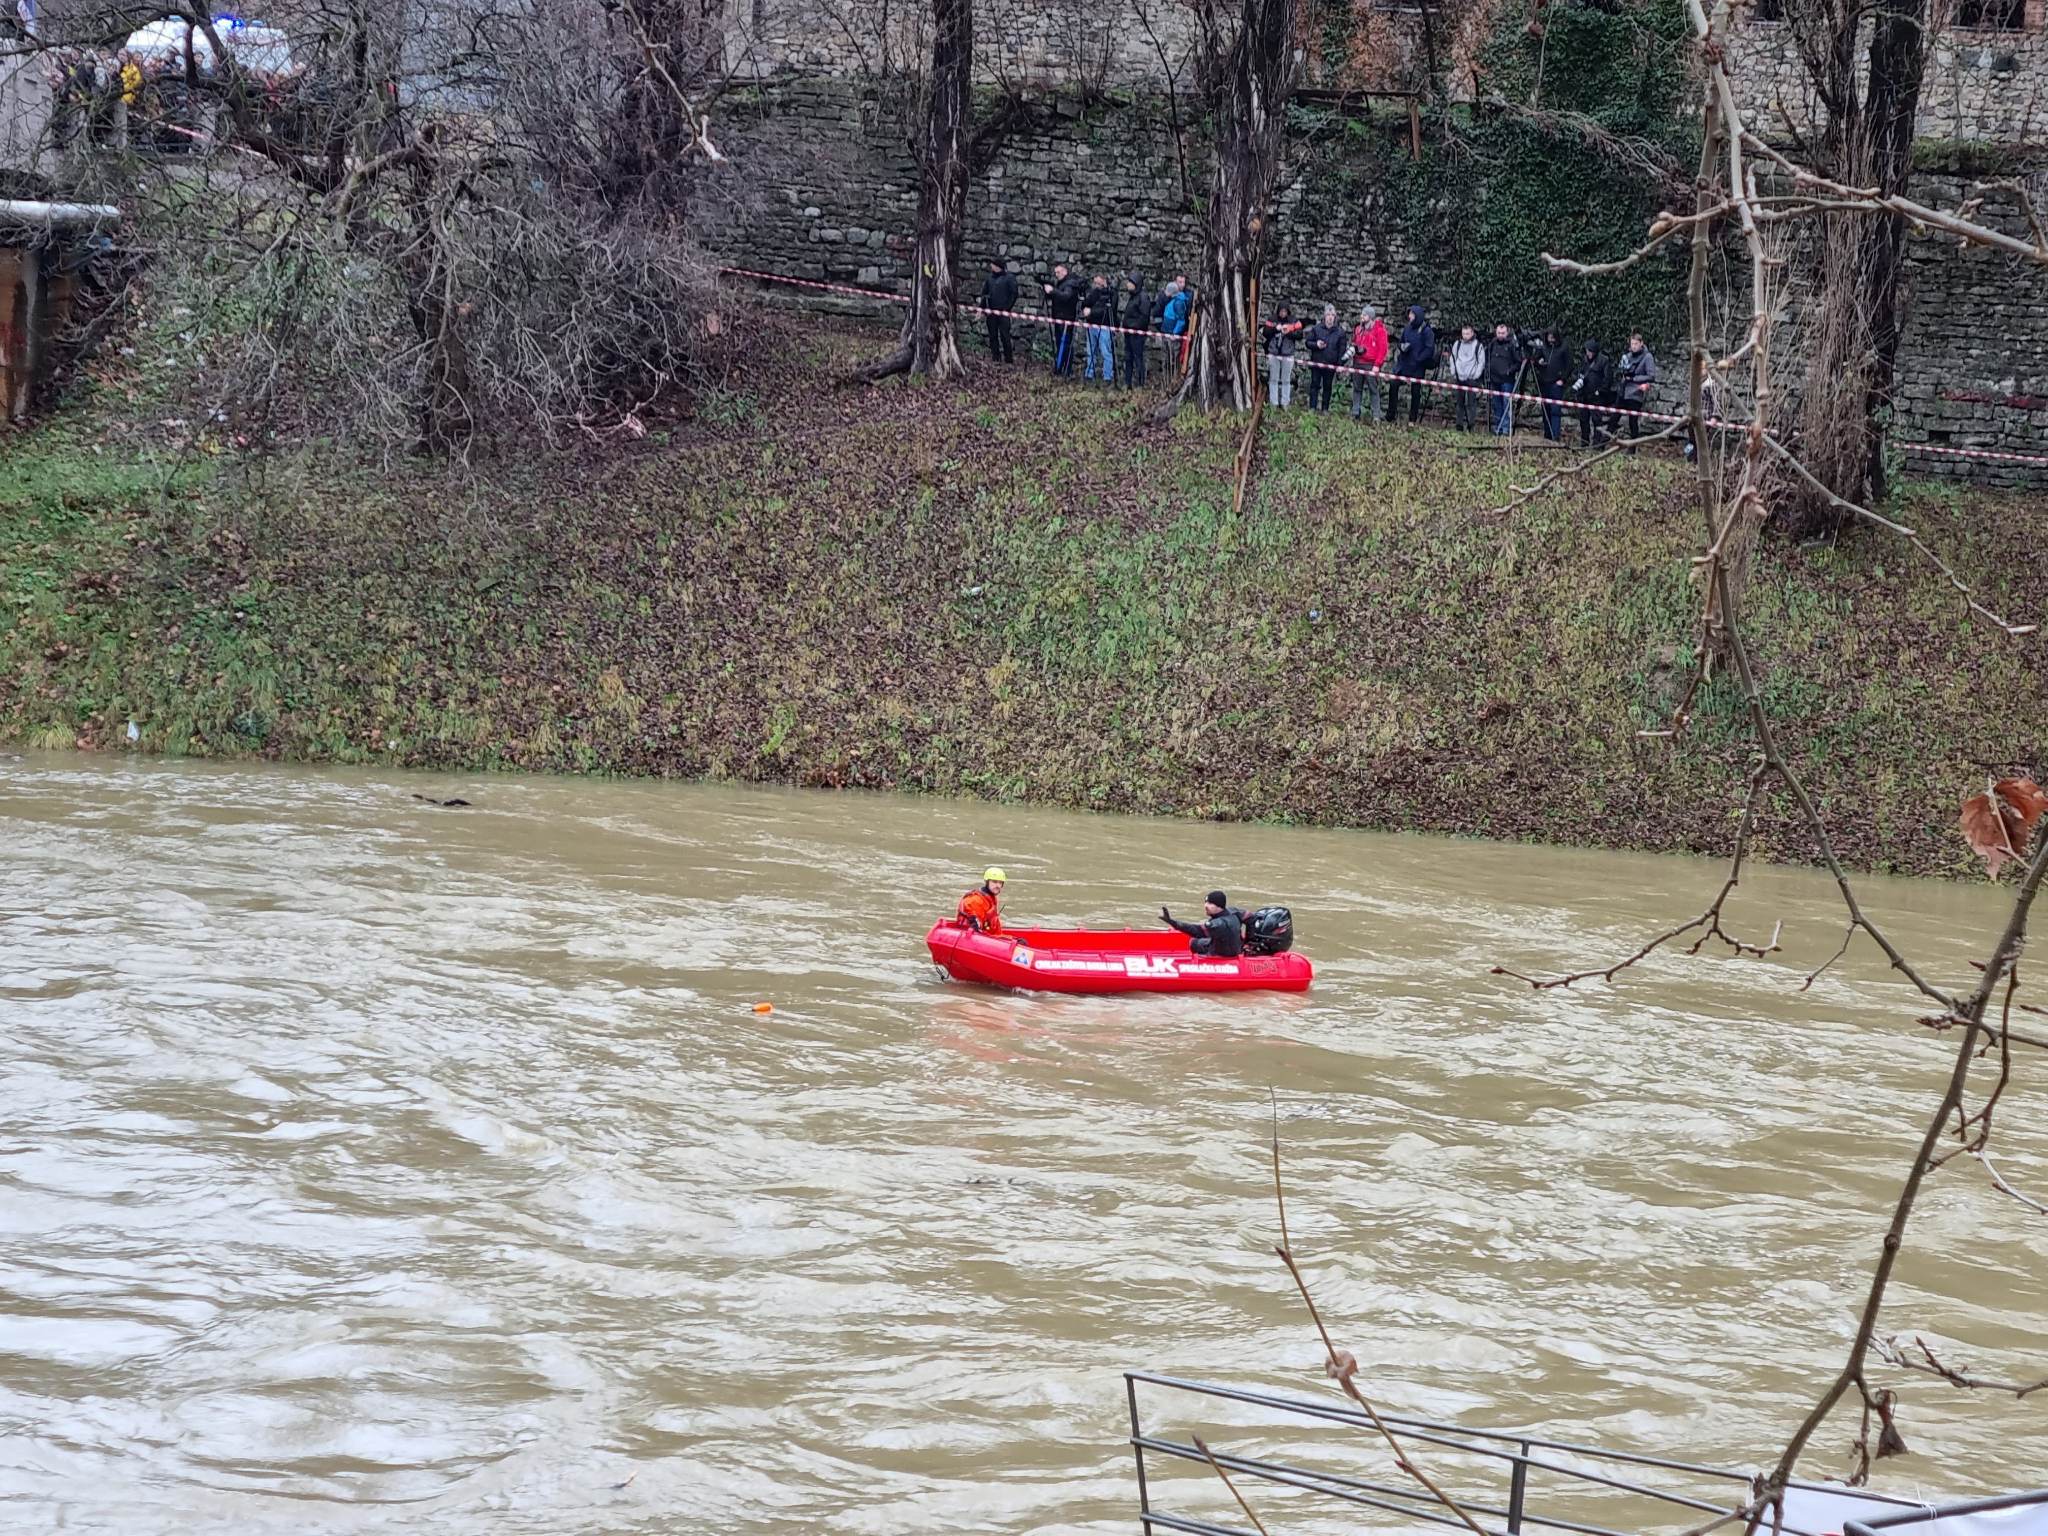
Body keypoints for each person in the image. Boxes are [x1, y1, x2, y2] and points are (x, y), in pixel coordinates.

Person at [1162, 890, 1244, 957]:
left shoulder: (1218, 924)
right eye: (1206, 902)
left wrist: (1174, 923)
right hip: (1235, 949)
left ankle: (1204, 962)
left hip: (1223, 954)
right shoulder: (1234, 912)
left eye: (1210, 903)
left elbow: (1197, 931)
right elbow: (1250, 917)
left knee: (1193, 942)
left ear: (1219, 906)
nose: (1205, 906)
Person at [1390, 304, 1435, 424]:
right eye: (1409, 314)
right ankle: (1390, 415)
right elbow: (1401, 342)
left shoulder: (1427, 331)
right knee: (1394, 384)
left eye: (1412, 314)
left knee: (1416, 392)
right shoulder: (1407, 328)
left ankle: (1412, 419)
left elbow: (1429, 349)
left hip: (1417, 367)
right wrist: (1403, 347)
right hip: (1404, 365)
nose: (1409, 316)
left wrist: (1418, 358)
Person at [1616, 332, 1659, 444]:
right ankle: (1602, 443)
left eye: (1636, 344)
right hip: (1623, 390)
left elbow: (1651, 375)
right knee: (1614, 417)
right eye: (1632, 344)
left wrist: (1634, 378)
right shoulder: (1628, 356)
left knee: (1633, 422)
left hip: (1635, 393)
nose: (1633, 346)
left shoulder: (1647, 357)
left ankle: (1633, 447)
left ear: (1641, 343)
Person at [1304, 304, 1347, 413]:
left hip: (1330, 364)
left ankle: (1325, 409)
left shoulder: (1340, 332)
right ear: (1324, 316)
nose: (1330, 317)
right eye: (1328, 314)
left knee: (1327, 387)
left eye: (1332, 315)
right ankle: (1312, 408)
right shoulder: (1316, 328)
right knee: (1314, 385)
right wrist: (1316, 345)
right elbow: (1308, 343)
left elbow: (1342, 350)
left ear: (1335, 317)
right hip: (1317, 362)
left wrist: (1339, 364)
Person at [1349, 305, 1389, 422]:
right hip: (1358, 362)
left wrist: (1377, 365)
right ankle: (1355, 412)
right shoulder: (1358, 329)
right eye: (1362, 314)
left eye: (1365, 315)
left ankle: (1376, 414)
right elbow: (1354, 342)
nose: (1362, 317)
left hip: (1371, 364)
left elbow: (1383, 349)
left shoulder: (1380, 331)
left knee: (1373, 389)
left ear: (1370, 317)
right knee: (1357, 388)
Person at [1044, 264, 1084, 378]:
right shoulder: (1061, 283)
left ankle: (1067, 369)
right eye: (1055, 272)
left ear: (1065, 271)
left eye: (1059, 272)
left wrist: (1052, 291)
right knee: (1059, 343)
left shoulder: (1070, 284)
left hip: (1066, 319)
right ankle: (1060, 367)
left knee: (1065, 344)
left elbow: (1066, 297)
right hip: (1059, 317)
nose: (1056, 275)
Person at [1484, 322, 1523, 437]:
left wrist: (1508, 371)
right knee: (1497, 405)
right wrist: (1488, 369)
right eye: (1499, 333)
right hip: (1494, 380)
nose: (1501, 335)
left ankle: (1506, 429)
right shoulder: (1492, 344)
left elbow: (1518, 362)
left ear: (1507, 333)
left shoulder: (1512, 345)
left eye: (1503, 333)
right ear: (1496, 333)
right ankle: (1498, 427)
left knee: (1507, 405)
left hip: (1507, 381)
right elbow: (1487, 357)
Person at [1573, 341, 1614, 447]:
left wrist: (1600, 391)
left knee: (1597, 421)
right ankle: (1585, 441)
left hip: (1597, 397)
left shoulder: (1603, 361)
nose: (1588, 353)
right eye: (1587, 351)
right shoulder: (1585, 360)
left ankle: (1597, 443)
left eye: (1590, 351)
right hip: (1584, 395)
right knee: (1583, 420)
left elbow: (1608, 379)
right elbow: (1580, 373)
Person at [1261, 303, 1302, 408]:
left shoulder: (1294, 320)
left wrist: (1288, 331)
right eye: (1281, 311)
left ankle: (1285, 402)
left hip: (1287, 354)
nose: (1283, 313)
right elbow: (1265, 332)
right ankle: (1273, 403)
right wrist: (1276, 329)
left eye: (1285, 311)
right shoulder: (1272, 319)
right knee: (1273, 378)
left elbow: (1300, 335)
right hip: (1274, 353)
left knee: (1286, 379)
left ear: (1288, 311)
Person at [1448, 324, 1485, 431]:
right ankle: (1459, 425)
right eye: (1463, 333)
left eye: (1467, 333)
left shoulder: (1478, 345)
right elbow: (1453, 358)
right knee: (1459, 403)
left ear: (1472, 333)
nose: (1465, 336)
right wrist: (1454, 372)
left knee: (1471, 404)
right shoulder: (1457, 344)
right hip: (1459, 378)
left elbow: (1481, 363)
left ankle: (1471, 426)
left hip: (1471, 379)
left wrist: (1475, 376)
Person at [1081, 274, 1117, 385]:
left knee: (1106, 351)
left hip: (1104, 326)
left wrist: (1091, 312)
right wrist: (1085, 307)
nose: (1096, 285)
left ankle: (1107, 376)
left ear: (1104, 281)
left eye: (1098, 283)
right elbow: (1086, 303)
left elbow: (1107, 311)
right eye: (1095, 283)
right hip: (1092, 325)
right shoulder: (1094, 292)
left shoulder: (1112, 294)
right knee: (1090, 351)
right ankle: (1089, 373)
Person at [1536, 328, 1570, 442]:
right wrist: (1539, 362)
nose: (1550, 338)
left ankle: (1555, 436)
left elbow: (1569, 365)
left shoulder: (1563, 348)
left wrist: (1563, 380)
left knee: (1555, 411)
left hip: (1556, 384)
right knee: (1546, 410)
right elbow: (1536, 360)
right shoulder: (1543, 347)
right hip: (1544, 383)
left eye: (1552, 335)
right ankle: (1547, 435)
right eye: (1548, 335)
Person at [980, 259, 1017, 364]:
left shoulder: (1009, 278)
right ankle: (995, 357)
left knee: (1005, 336)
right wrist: (982, 308)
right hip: (991, 312)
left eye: (993, 265)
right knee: (993, 336)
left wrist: (1007, 308)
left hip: (1003, 313)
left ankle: (1008, 359)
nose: (991, 267)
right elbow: (985, 293)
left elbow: (1013, 294)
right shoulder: (990, 279)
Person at [1120, 275, 1150, 389]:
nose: (1127, 284)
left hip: (1137, 335)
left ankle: (1140, 383)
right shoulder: (1133, 297)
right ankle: (1128, 383)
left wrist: (1133, 327)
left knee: (1138, 358)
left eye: (1130, 282)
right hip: (1129, 333)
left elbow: (1144, 317)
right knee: (1128, 357)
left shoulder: (1143, 298)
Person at [958, 867, 1007, 934]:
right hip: (971, 938)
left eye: (1000, 883)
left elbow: (993, 927)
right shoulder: (975, 901)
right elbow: (977, 932)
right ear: (987, 882)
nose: (998, 885)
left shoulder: (991, 898)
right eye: (994, 882)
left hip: (989, 935)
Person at [1161, 275, 1191, 377]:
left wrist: (1175, 333)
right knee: (1167, 358)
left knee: (1173, 359)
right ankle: (1167, 379)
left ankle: (1174, 379)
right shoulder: (1172, 301)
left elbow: (1181, 321)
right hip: (1167, 333)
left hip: (1173, 336)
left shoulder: (1178, 303)